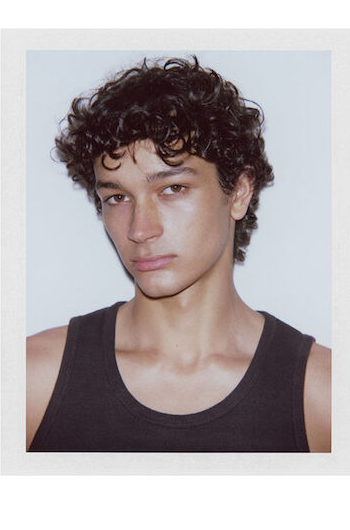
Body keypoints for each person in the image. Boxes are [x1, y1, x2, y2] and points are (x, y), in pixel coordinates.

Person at [26, 56, 331, 453]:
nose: (139, 229)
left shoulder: (326, 396)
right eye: (117, 197)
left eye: (172, 189)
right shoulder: (31, 379)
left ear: (239, 192)